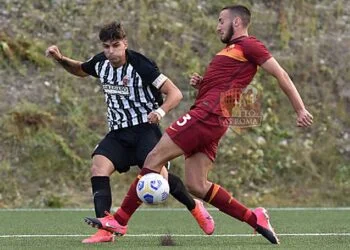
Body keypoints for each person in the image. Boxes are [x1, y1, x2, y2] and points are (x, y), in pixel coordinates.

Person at [84, 5, 314, 245]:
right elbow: (226, 84)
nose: (217, 26)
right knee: (197, 185)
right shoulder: (231, 51)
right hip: (214, 117)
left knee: (153, 158)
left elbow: (281, 74)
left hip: (207, 115)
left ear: (236, 23)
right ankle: (254, 217)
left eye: (221, 21)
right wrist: (203, 84)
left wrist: (299, 109)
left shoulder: (250, 45)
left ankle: (119, 220)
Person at [46, 21, 215, 244]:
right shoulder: (101, 62)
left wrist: (160, 111)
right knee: (98, 167)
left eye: (115, 45)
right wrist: (60, 59)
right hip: (118, 133)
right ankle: (105, 229)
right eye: (106, 46)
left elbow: (175, 93)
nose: (110, 51)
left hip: (145, 130)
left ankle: (195, 206)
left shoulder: (141, 65)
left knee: (160, 178)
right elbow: (80, 69)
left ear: (124, 43)